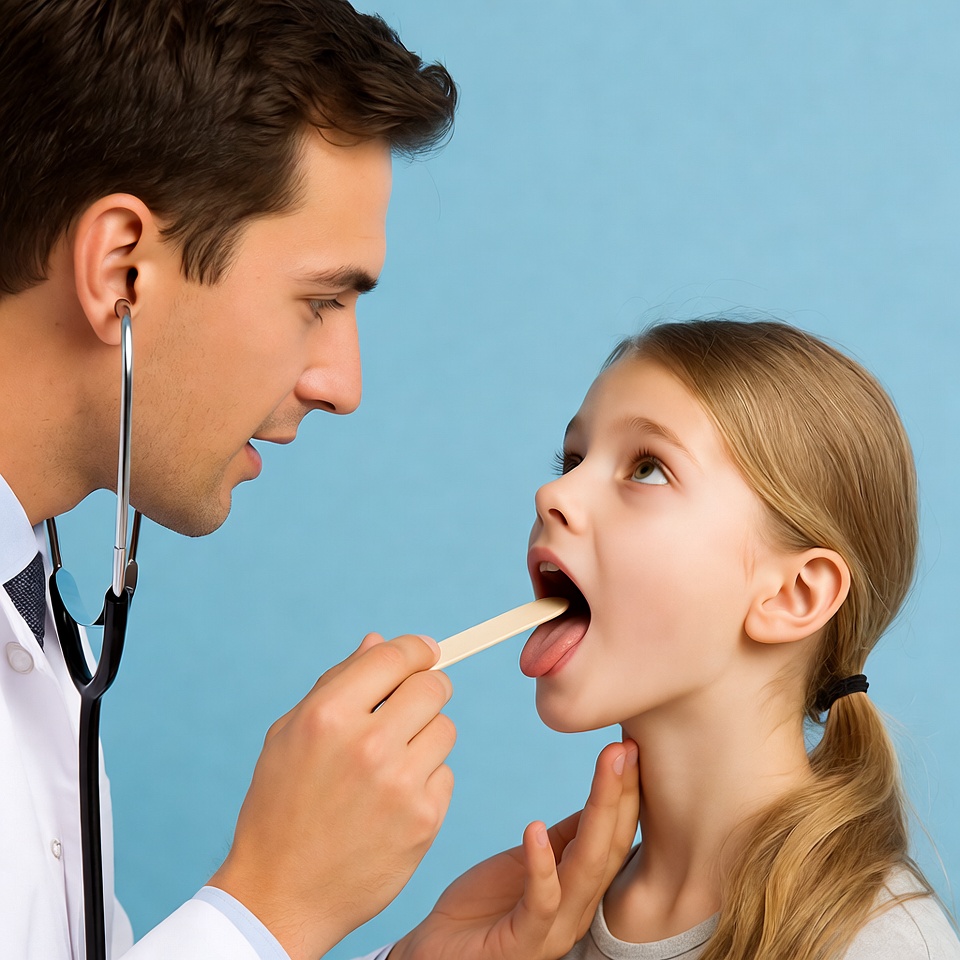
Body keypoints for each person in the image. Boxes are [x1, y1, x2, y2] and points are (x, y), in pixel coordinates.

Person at [0, 2, 639, 959]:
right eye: (320, 302)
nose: (343, 386)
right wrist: (269, 908)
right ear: (122, 271)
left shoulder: (32, 607)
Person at [391, 318, 960, 960]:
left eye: (648, 469)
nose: (553, 492)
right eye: (573, 460)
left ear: (793, 596)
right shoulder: (531, 931)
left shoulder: (876, 945)